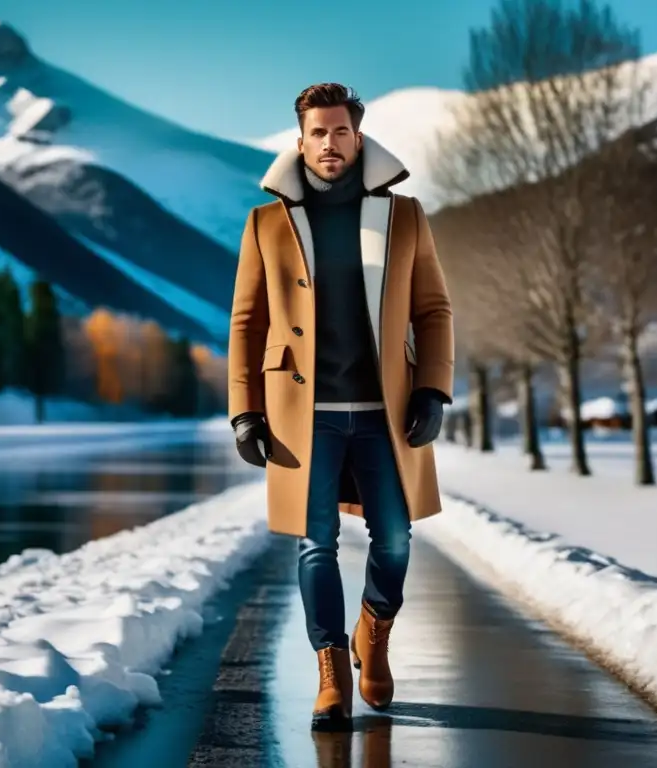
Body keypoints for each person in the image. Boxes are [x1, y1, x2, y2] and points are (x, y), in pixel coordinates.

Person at [227, 82, 454, 729]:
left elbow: (434, 309)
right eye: (318, 133)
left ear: (359, 137)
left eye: (341, 132)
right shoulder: (266, 223)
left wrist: (434, 388)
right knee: (315, 546)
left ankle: (373, 635)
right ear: (300, 141)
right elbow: (246, 323)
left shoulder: (404, 216)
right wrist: (245, 410)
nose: (330, 144)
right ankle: (331, 674)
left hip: (385, 411)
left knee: (396, 542)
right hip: (304, 414)